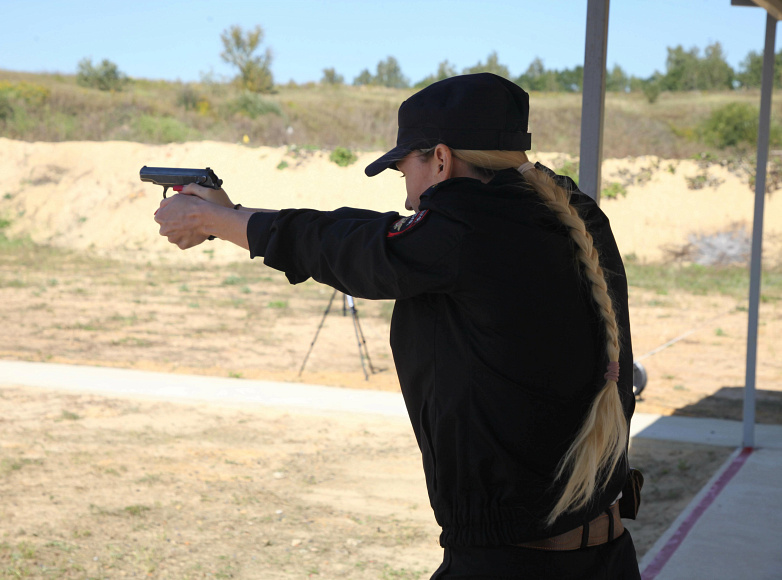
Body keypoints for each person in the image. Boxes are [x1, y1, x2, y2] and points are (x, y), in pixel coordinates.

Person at [154, 73, 640, 579]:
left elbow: (364, 251)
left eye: (404, 169)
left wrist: (213, 221)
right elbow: (379, 232)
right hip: (603, 559)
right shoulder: (568, 214)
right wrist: (234, 215)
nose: (409, 198)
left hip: (514, 565)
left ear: (441, 159)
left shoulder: (471, 229)